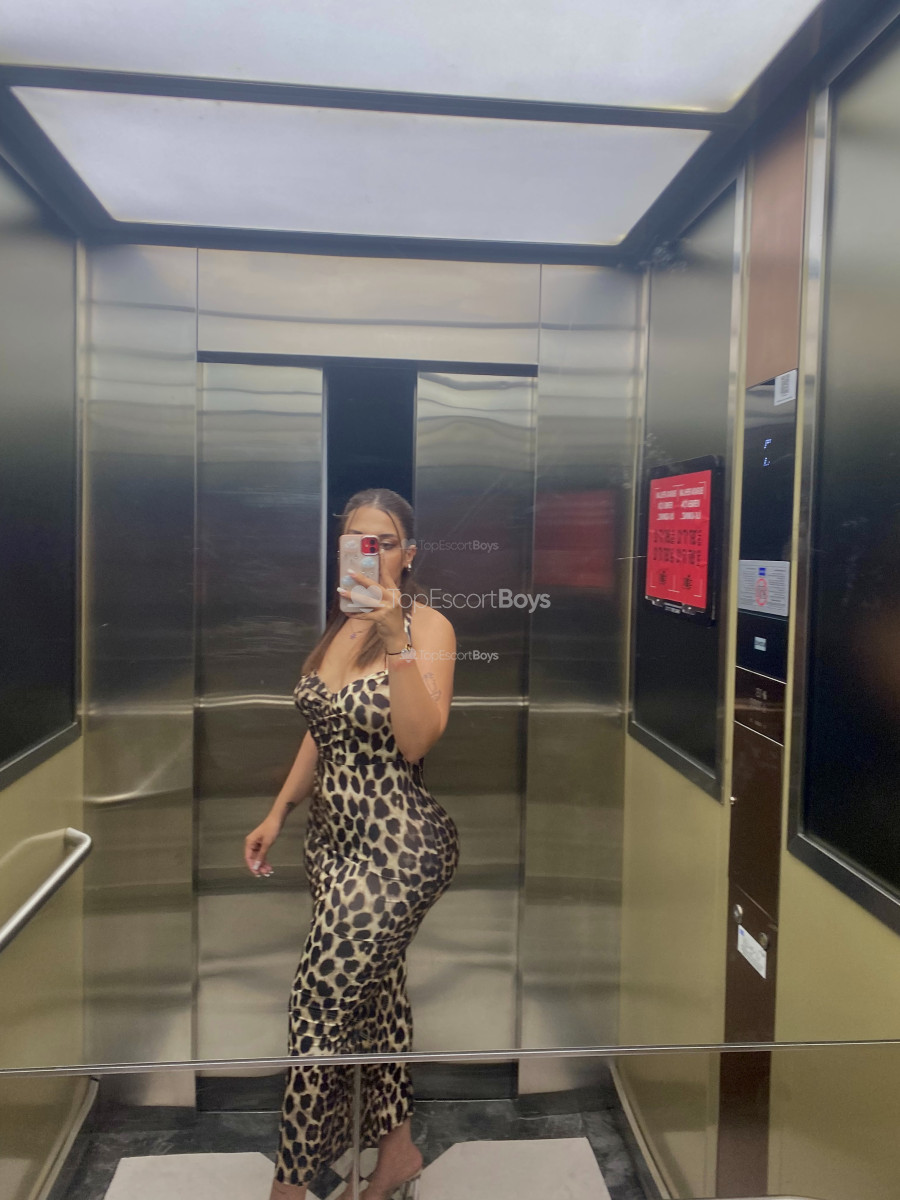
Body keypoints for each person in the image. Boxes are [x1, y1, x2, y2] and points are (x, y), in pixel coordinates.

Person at [244, 488, 460, 1200]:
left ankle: (290, 1186)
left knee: (316, 1008)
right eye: (356, 542)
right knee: (375, 1002)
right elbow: (323, 729)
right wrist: (279, 810)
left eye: (385, 542)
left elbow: (417, 740)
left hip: (398, 851)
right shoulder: (340, 627)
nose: (371, 554)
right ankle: (397, 1153)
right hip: (331, 848)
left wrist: (397, 640)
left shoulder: (428, 627)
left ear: (409, 553)